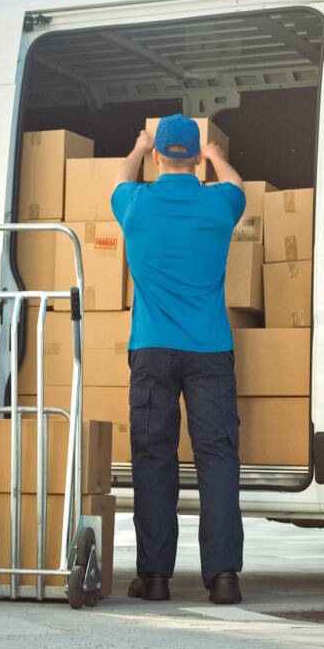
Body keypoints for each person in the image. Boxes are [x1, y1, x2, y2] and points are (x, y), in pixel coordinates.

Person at [111, 113, 246, 605]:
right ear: (194, 157)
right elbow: (237, 185)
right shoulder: (219, 205)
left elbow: (119, 178)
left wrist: (137, 146)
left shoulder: (135, 204)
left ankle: (154, 577)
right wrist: (217, 157)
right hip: (210, 350)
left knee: (153, 459)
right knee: (217, 460)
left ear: (158, 155)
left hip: (152, 349)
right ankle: (224, 577)